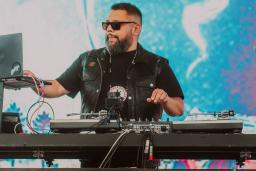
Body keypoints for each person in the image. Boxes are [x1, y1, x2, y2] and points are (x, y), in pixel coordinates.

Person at [25, 2, 184, 122]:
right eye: (106, 24)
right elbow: (57, 87)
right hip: (92, 154)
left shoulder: (156, 64)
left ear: (136, 29)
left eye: (115, 25)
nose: (109, 29)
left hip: (141, 153)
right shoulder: (87, 60)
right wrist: (33, 81)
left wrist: (166, 99)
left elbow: (178, 109)